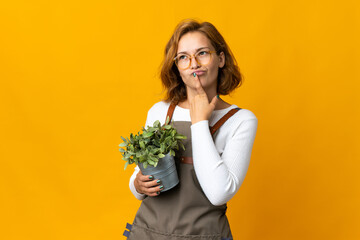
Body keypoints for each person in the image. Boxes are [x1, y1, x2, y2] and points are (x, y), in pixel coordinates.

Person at [126, 19, 258, 240]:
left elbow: (219, 194)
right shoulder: (160, 112)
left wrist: (199, 122)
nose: (194, 63)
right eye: (184, 58)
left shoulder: (241, 121)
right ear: (177, 67)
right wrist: (138, 184)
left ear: (221, 59)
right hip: (147, 233)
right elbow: (136, 183)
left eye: (202, 53)